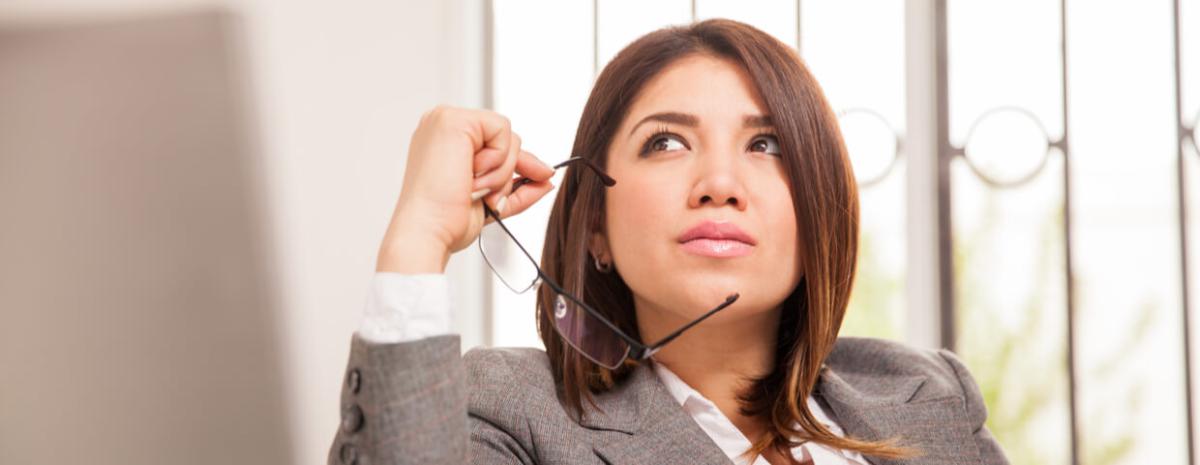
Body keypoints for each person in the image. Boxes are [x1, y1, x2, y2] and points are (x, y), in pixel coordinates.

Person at [328, 19, 1009, 465]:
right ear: (594, 225)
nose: (719, 182)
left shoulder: (927, 393)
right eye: (666, 142)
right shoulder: (508, 410)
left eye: (765, 143)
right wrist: (418, 235)